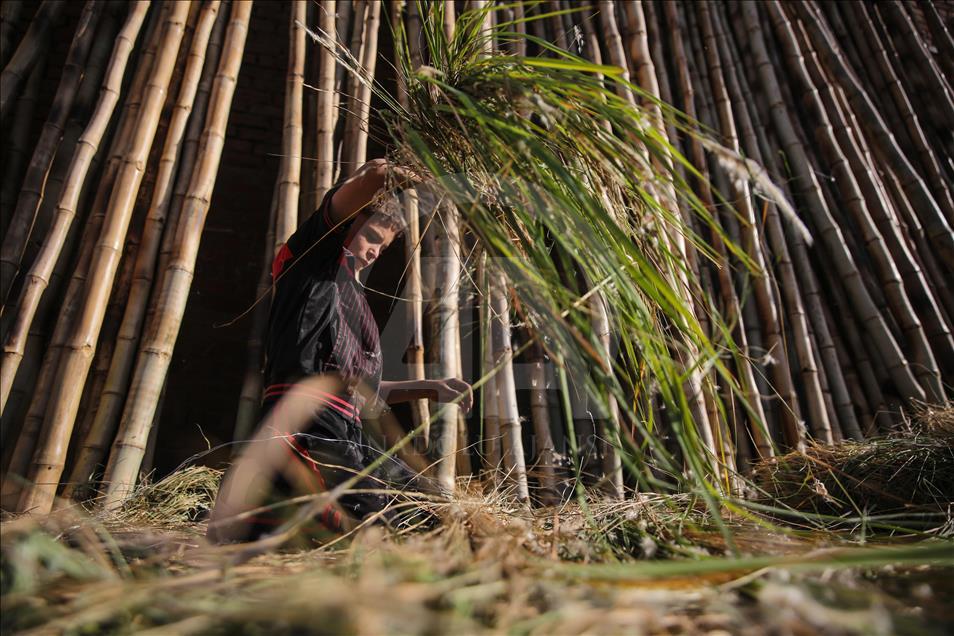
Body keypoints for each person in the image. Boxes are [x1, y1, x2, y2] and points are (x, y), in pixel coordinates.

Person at [207, 159, 472, 545]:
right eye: (372, 240)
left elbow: (356, 389)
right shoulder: (312, 261)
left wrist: (429, 388)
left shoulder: (355, 299)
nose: (374, 254)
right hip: (307, 430)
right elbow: (377, 176)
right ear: (347, 224)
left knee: (429, 511)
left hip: (351, 434)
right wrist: (427, 175)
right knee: (367, 529)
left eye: (383, 247)